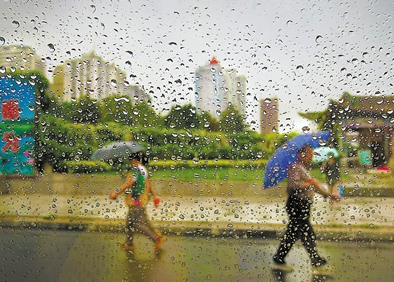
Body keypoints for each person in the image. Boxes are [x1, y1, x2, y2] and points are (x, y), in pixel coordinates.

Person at [272, 145, 341, 273]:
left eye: (312, 154)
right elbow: (293, 186)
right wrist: (310, 183)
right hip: (296, 204)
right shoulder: (295, 167)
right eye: (309, 153)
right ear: (301, 155)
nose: (311, 156)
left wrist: (330, 195)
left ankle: (279, 258)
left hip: (303, 204)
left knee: (294, 234)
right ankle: (316, 260)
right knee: (306, 233)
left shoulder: (304, 169)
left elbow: (314, 187)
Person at [109, 152, 165, 252]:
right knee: (129, 223)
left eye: (131, 160)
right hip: (141, 200)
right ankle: (129, 243)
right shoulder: (143, 169)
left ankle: (156, 239)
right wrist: (154, 196)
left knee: (137, 223)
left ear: (134, 160)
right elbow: (149, 184)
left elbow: (128, 183)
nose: (130, 162)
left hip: (136, 201)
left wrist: (115, 193)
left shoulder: (135, 170)